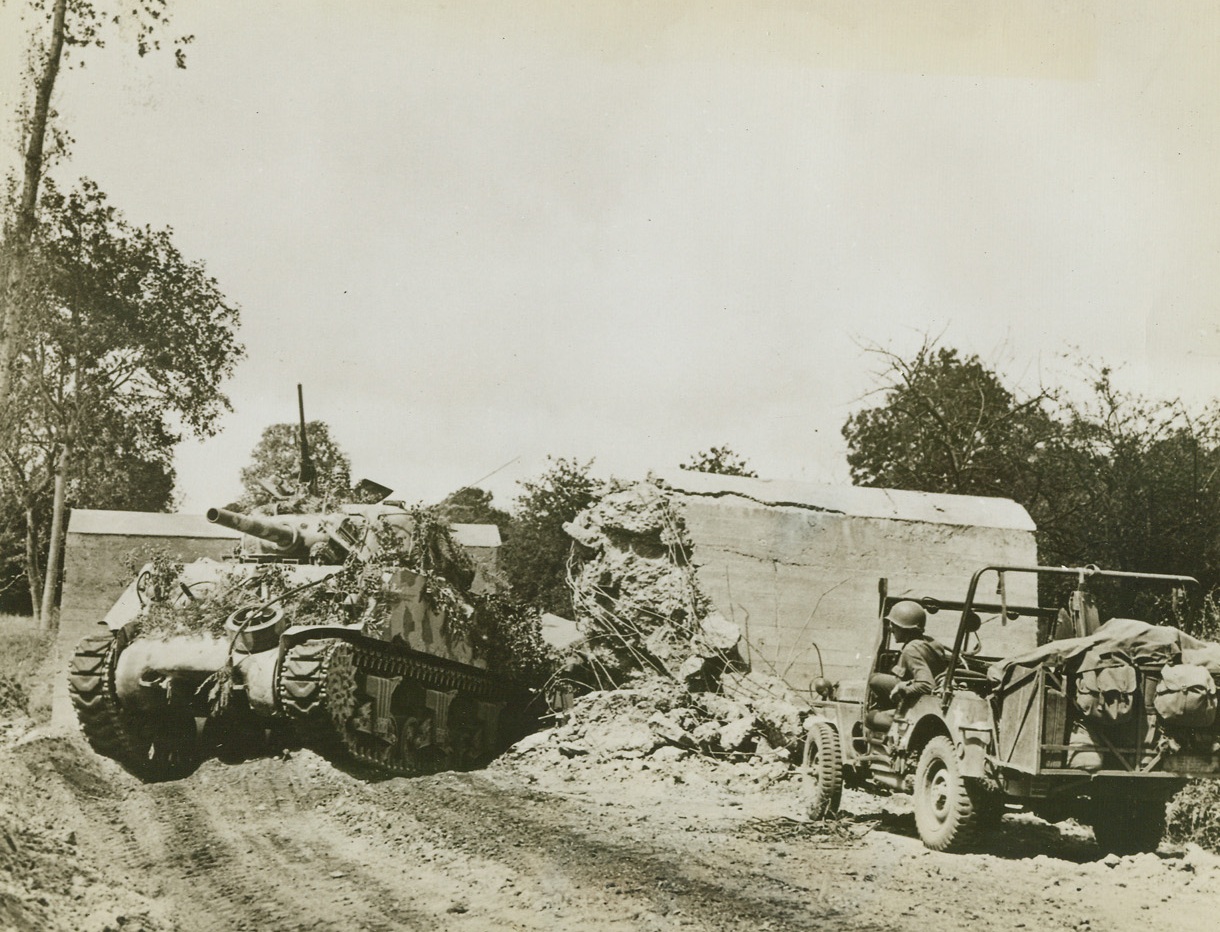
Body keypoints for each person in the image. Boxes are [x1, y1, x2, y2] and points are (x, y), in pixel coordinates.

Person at [867, 600, 951, 731]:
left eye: (894, 625)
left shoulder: (910, 650)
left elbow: (926, 685)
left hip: (921, 704)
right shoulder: (931, 642)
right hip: (933, 699)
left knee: (871, 713)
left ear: (904, 628)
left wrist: (902, 687)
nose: (891, 628)